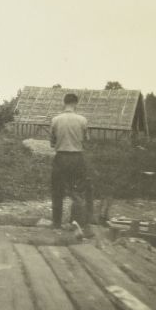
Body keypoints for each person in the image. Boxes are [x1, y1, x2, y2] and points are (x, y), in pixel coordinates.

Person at [50, 93, 94, 231]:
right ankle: (77, 224)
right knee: (78, 191)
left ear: (64, 103)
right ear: (76, 103)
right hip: (77, 158)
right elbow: (87, 140)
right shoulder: (82, 120)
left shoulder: (55, 120)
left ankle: (56, 224)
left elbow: (52, 142)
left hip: (61, 158)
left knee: (57, 191)